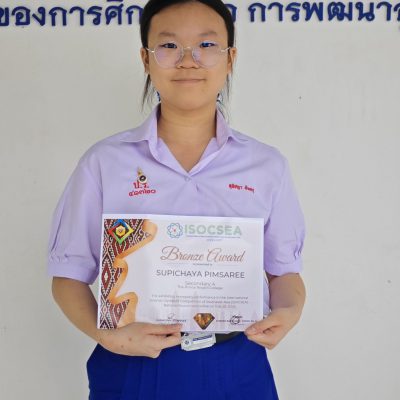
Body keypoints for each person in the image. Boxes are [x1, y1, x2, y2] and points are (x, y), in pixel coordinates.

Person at [48, 0, 306, 399]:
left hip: (236, 362)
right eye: (169, 46)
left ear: (230, 58)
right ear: (146, 59)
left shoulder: (266, 166)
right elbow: (68, 276)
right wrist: (107, 336)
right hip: (133, 363)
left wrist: (289, 312)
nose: (188, 60)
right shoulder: (104, 163)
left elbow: (284, 273)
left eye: (207, 45)